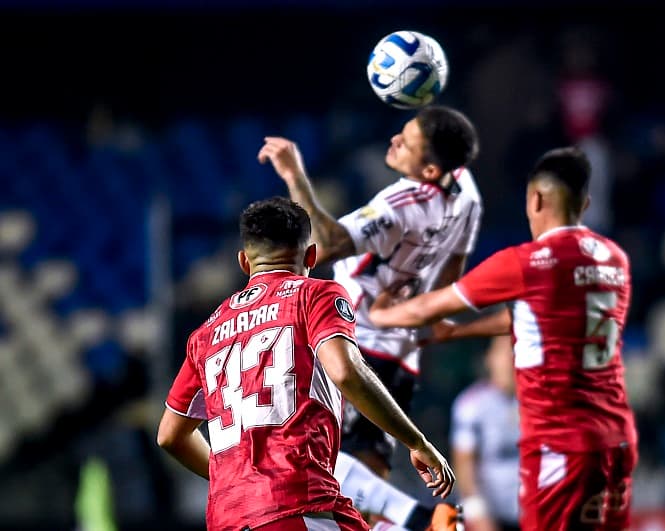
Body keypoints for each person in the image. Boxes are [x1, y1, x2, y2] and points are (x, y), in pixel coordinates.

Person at [369, 147, 638, 531]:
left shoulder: (528, 262)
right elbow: (535, 318)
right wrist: (459, 332)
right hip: (614, 439)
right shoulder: (614, 259)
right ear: (585, 203)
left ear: (537, 199)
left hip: (559, 443)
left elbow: (428, 307)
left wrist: (381, 313)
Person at [156, 197, 455, 531]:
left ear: (244, 262)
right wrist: (417, 442)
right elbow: (344, 371)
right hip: (295, 504)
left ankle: (418, 521)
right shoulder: (314, 295)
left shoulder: (206, 333)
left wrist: (233, 477)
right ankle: (424, 522)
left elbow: (169, 436)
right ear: (310, 255)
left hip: (228, 518)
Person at [257, 105, 481, 482]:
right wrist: (424, 314)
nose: (394, 140)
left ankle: (424, 519)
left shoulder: (400, 205)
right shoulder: (467, 194)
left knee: (328, 473)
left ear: (428, 171)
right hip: (398, 352)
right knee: (368, 473)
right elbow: (452, 267)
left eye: (407, 143)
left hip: (354, 344)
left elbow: (326, 245)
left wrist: (294, 175)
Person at [450, 335, 520, 531]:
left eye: (515, 353)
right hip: (489, 518)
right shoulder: (473, 404)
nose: (510, 360)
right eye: (505, 353)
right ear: (490, 358)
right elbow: (464, 462)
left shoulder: (542, 404)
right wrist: (476, 511)